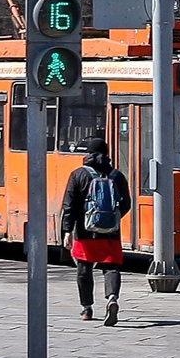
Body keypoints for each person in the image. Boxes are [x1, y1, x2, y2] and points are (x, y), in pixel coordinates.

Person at [56, 138, 132, 325]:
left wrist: (67, 230)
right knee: (111, 266)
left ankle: (86, 308)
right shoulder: (117, 175)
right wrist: (112, 219)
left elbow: (69, 206)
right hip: (110, 233)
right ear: (107, 153)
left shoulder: (78, 175)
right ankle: (112, 298)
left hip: (84, 231)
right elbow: (126, 203)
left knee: (84, 268)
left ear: (87, 153)